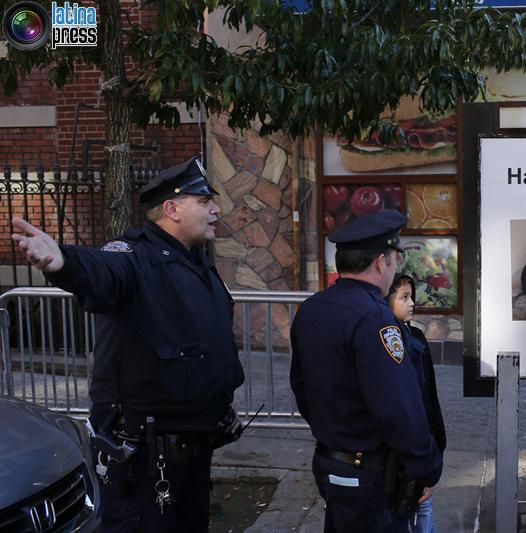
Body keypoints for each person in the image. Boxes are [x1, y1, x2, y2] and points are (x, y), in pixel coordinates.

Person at [11, 158, 245, 533]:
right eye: (204, 201)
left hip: (192, 446)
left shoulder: (195, 261)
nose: (215, 209)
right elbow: (104, 272)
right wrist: (63, 262)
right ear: (172, 208)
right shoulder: (133, 256)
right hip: (147, 458)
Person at [290, 210, 442, 533]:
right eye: (393, 260)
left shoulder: (312, 309)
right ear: (380, 263)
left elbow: (301, 388)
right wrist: (426, 467)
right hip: (371, 475)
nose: (395, 268)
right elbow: (399, 409)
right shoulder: (377, 319)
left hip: (331, 462)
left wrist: (335, 433)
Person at [385, 274, 447, 533]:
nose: (411, 303)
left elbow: (429, 395)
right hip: (398, 447)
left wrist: (436, 443)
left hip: (422, 433)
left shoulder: (417, 337)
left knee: (423, 506)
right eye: (404, 297)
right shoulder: (383, 339)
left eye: (412, 297)